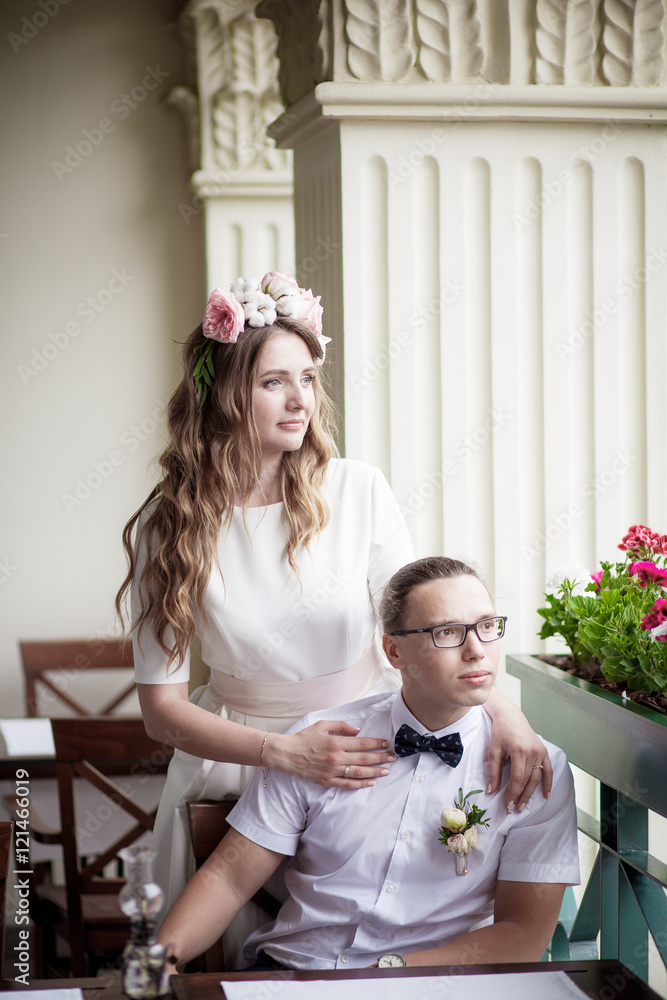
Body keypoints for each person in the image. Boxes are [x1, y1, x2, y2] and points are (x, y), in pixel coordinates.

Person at [116, 273, 552, 941]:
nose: (301, 400)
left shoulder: (358, 491)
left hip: (368, 748)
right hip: (241, 760)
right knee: (239, 947)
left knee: (374, 929)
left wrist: (509, 717)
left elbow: (427, 633)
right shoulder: (167, 525)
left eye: (308, 378)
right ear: (223, 394)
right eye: (273, 382)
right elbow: (161, 711)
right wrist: (284, 754)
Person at [158, 556, 580, 973]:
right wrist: (161, 960)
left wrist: (391, 971)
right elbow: (229, 880)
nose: (476, 651)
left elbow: (522, 934)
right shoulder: (321, 743)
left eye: (487, 626)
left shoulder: (535, 770)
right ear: (394, 651)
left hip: (432, 984)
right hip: (297, 975)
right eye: (447, 632)